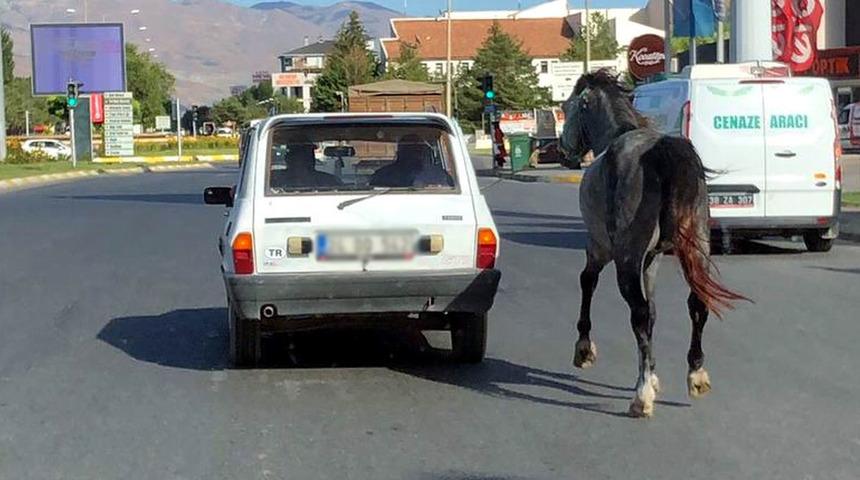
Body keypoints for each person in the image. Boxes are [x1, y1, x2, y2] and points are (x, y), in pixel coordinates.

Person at [370, 135, 453, 188]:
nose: (414, 155)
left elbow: (450, 191)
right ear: (400, 153)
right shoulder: (382, 175)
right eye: (409, 150)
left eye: (417, 150)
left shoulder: (438, 175)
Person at [270, 137, 341, 189]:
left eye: (309, 154)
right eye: (299, 154)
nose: (307, 159)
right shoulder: (274, 179)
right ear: (288, 158)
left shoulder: (328, 181)